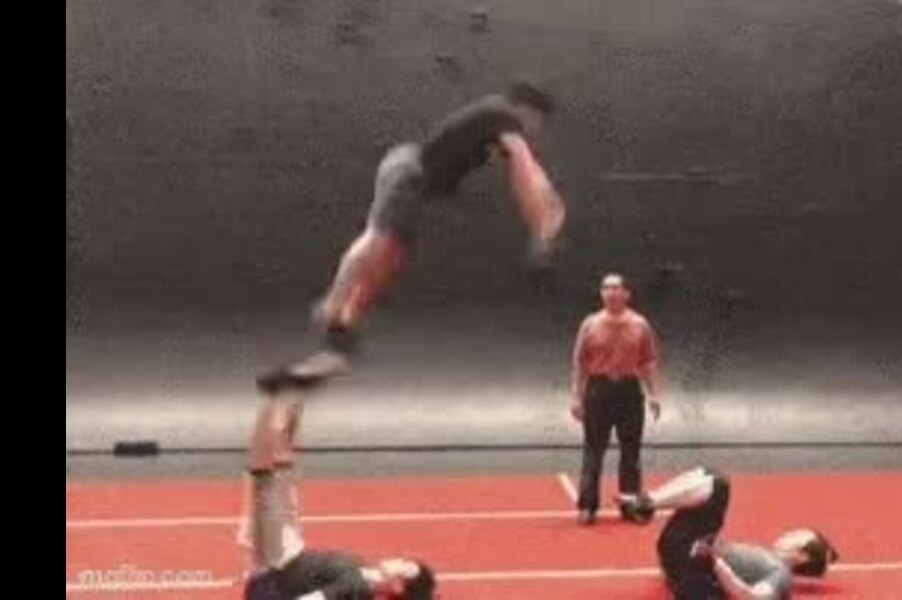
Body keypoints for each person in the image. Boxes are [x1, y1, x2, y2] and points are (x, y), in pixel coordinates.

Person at [259, 80, 566, 392]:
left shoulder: (494, 121)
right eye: (538, 122)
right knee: (381, 238)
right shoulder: (505, 119)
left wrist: (542, 218)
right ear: (527, 110)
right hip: (410, 172)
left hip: (409, 171)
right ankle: (333, 302)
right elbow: (526, 172)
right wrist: (544, 227)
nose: (536, 130)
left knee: (393, 253)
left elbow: (521, 174)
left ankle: (341, 333)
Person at [238, 380, 437, 599]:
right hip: (281, 561)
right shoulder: (362, 574)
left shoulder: (357, 585)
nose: (400, 560)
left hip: (279, 567)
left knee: (270, 471)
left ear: (398, 586)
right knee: (275, 472)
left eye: (405, 568)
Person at [617, 468, 840, 600]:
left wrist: (717, 565)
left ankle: (648, 503)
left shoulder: (781, 574)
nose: (789, 533)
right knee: (707, 478)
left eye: (796, 536)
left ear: (802, 556)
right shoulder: (764, 557)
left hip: (694, 574)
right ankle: (648, 501)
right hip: (685, 560)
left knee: (718, 483)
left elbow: (752, 597)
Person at [570, 273, 663, 525]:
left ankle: (630, 505)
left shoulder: (640, 324)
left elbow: (648, 361)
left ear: (626, 294)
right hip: (599, 390)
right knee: (593, 450)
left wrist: (654, 394)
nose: (610, 292)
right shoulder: (590, 324)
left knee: (631, 451)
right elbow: (579, 363)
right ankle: (587, 506)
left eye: (615, 287)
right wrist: (576, 397)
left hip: (629, 391)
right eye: (606, 288)